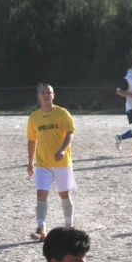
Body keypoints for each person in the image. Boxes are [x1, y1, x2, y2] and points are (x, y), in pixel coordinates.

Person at [27, 84, 78, 241]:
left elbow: (70, 133)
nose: (46, 95)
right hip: (42, 163)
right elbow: (32, 140)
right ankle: (41, 228)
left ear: (53, 95)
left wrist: (62, 149)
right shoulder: (34, 117)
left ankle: (69, 227)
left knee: (64, 194)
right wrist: (30, 162)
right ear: (38, 96)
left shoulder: (62, 113)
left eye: (49, 92)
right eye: (43, 93)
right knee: (41, 194)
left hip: (61, 163)